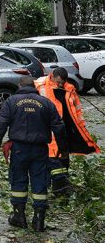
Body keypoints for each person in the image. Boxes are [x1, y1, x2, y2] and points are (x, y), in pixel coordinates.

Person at [0, 75, 65, 232]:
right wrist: (63, 148)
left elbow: (1, 124)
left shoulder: (11, 102)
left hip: (19, 149)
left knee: (18, 180)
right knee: (40, 180)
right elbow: (59, 126)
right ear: (34, 86)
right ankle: (39, 220)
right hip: (40, 149)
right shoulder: (46, 103)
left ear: (19, 86)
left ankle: (19, 216)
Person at [34, 68, 99, 196]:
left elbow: (77, 109)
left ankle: (60, 188)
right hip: (46, 130)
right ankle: (49, 188)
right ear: (52, 76)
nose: (59, 85)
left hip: (62, 129)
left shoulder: (69, 88)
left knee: (62, 160)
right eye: (58, 82)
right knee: (48, 160)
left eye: (61, 83)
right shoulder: (40, 85)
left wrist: (80, 127)